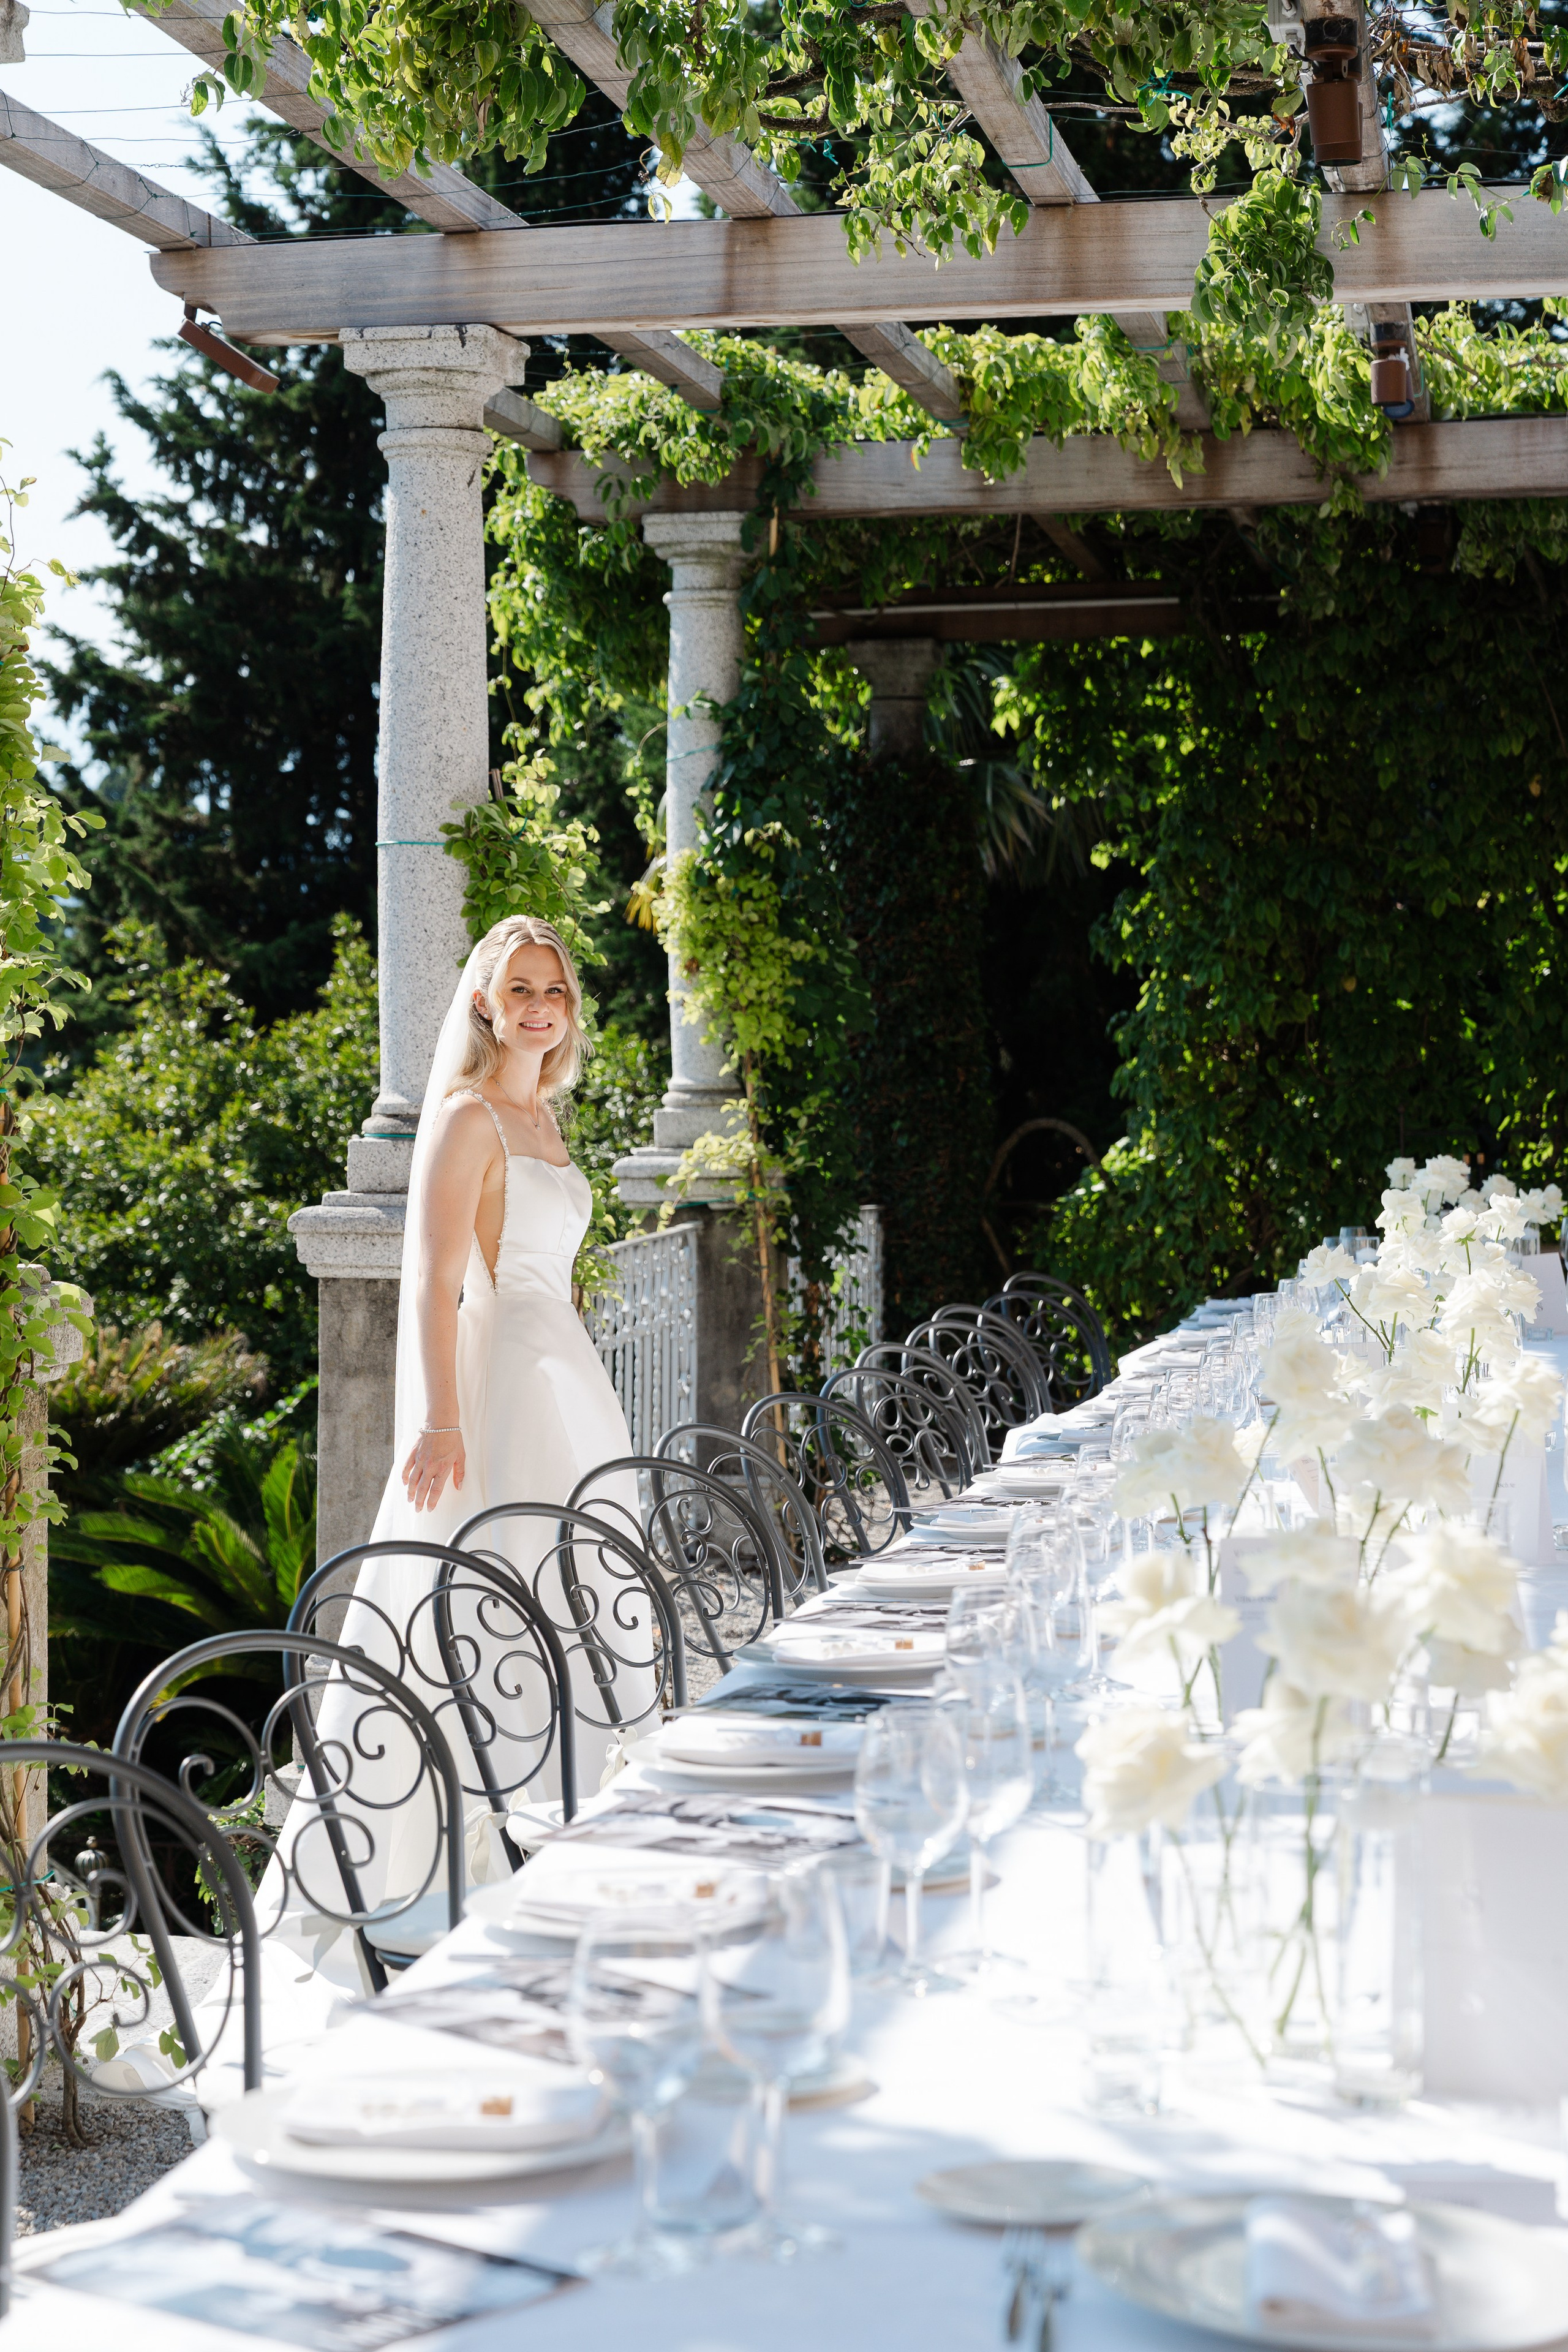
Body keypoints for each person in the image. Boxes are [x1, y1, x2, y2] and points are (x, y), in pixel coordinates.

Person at [272, 916, 658, 1989]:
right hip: (498, 1393)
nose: (541, 1005)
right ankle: (467, 1860)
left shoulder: (543, 1116)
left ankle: (569, 1841)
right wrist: (442, 1418)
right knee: (494, 1595)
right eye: (521, 987)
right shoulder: (467, 1116)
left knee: (578, 1595)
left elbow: (542, 1264)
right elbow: (436, 1277)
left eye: (558, 990)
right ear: (485, 1002)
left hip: (565, 1378)